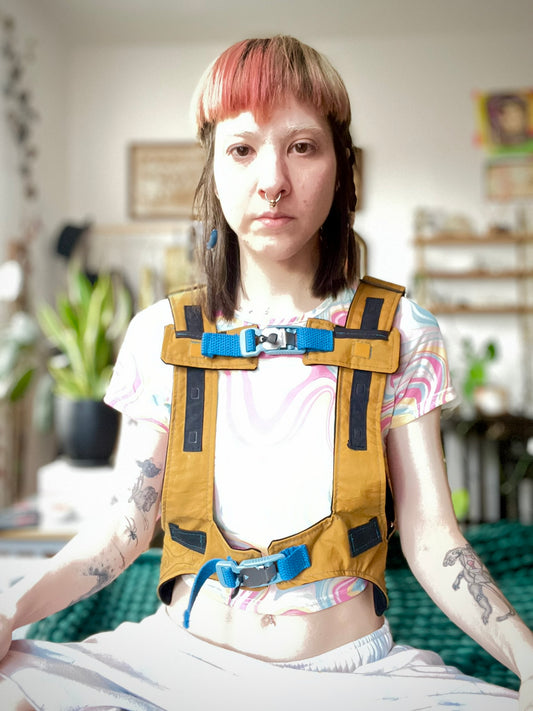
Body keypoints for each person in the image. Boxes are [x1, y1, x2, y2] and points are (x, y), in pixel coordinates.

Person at [1, 35, 532, 711]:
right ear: (213, 166)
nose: (272, 179)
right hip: (171, 667)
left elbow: (431, 536)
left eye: (302, 146)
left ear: (340, 165)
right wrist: (11, 610)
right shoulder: (159, 334)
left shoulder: (403, 330)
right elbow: (122, 528)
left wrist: (526, 655)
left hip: (354, 679)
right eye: (242, 149)